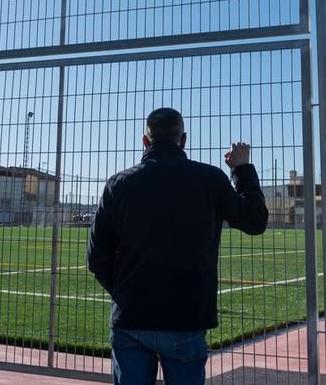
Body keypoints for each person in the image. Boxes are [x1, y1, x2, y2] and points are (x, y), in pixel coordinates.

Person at [86, 107, 268, 385]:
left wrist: (127, 292)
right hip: (186, 318)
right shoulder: (210, 179)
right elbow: (255, 221)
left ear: (145, 142)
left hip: (131, 318)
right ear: (183, 140)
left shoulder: (118, 184)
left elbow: (96, 258)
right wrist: (242, 169)